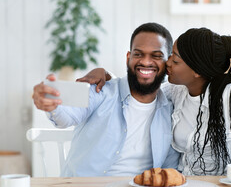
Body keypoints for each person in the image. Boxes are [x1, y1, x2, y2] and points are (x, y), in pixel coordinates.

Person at [79, 27, 231, 182]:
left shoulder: (230, 97)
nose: (167, 64)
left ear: (197, 71)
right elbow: (140, 91)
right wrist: (109, 78)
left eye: (175, 61)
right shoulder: (177, 91)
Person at [32, 22, 180, 177]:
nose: (146, 62)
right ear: (128, 58)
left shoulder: (170, 109)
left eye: (156, 56)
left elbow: (170, 167)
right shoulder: (101, 90)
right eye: (138, 54)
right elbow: (67, 117)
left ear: (168, 62)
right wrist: (52, 105)